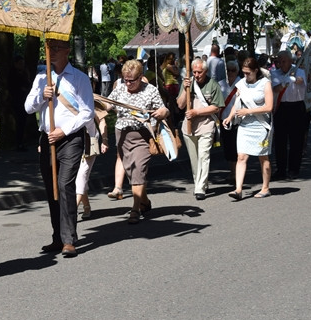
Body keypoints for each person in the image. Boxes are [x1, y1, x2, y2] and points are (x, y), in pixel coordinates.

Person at [24, 38, 94, 257]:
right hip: (47, 139)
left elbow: (87, 112)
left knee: (64, 185)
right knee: (51, 187)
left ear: (67, 51)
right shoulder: (41, 78)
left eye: (56, 48)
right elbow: (28, 108)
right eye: (49, 48)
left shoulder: (80, 78)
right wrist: (42, 96)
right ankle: (58, 236)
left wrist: (64, 131)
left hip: (70, 139)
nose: (52, 52)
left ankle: (69, 239)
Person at [106, 59, 169, 224]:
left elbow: (164, 109)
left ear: (141, 77)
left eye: (131, 80)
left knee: (138, 170)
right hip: (122, 136)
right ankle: (144, 201)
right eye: (125, 79)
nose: (127, 83)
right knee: (131, 172)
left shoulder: (150, 90)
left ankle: (135, 209)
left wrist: (162, 113)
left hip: (143, 136)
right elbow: (107, 105)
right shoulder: (120, 88)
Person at [223, 57, 274, 199]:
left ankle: (265, 188)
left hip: (261, 126)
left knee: (263, 157)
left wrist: (248, 111)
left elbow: (269, 107)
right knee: (241, 156)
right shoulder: (241, 84)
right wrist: (230, 117)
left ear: (255, 70)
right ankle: (238, 189)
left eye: (248, 73)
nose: (245, 76)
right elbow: (237, 103)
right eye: (244, 73)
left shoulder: (265, 84)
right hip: (245, 125)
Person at [176, 56, 222, 200]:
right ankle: (201, 182)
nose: (196, 75)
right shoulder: (188, 83)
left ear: (205, 71)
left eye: (199, 72)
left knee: (203, 156)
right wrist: (185, 90)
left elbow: (217, 107)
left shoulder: (213, 84)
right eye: (194, 72)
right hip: (189, 126)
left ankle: (200, 188)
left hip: (206, 125)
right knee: (194, 159)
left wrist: (197, 112)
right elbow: (180, 105)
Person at [269, 50, 307, 180]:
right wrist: (283, 83)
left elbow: (301, 81)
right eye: (279, 61)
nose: (281, 63)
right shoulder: (274, 73)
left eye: (284, 61)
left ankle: (294, 169)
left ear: (290, 61)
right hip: (282, 108)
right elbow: (275, 89)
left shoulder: (298, 71)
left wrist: (294, 79)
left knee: (296, 140)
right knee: (280, 141)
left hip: (296, 107)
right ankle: (281, 170)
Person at [76, 105, 109, 220]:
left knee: (81, 175)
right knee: (77, 177)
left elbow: (101, 120)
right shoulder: (62, 96)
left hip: (90, 141)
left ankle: (72, 210)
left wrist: (105, 140)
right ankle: (86, 206)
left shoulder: (91, 98)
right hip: (70, 143)